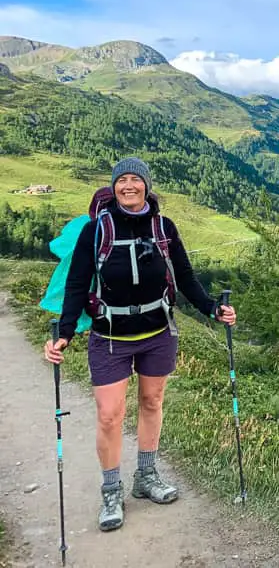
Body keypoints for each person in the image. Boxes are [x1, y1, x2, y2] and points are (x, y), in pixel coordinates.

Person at [42, 157, 237, 532]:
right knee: (109, 415)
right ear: (113, 187)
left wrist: (213, 309)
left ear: (147, 186)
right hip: (109, 337)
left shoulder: (164, 227)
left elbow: (184, 278)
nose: (128, 186)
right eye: (122, 180)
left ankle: (145, 477)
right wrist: (65, 333)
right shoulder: (96, 230)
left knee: (152, 402)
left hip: (157, 333)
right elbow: (77, 286)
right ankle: (112, 490)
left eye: (136, 179)